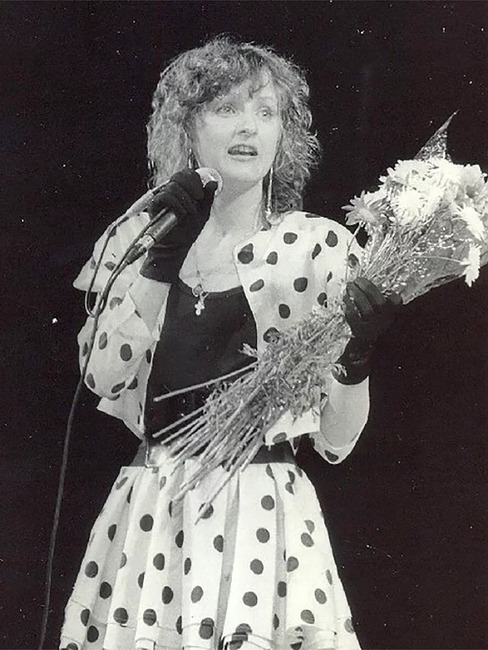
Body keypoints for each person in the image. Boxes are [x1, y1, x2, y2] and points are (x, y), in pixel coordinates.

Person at [60, 37, 401, 650]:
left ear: (283, 135)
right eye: (226, 108)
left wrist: (357, 360)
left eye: (266, 111)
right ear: (187, 128)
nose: (249, 127)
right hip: (152, 520)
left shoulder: (317, 248)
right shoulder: (137, 241)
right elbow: (103, 376)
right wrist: (159, 264)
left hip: (263, 522)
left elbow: (337, 441)